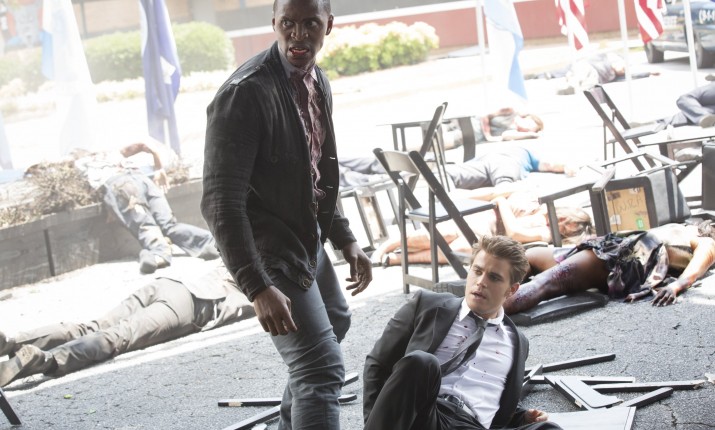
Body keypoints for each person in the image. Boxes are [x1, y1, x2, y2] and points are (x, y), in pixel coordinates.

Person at [200, 0, 373, 428]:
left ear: (328, 25)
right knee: (320, 368)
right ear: (274, 23)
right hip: (268, 248)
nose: (298, 35)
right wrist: (257, 286)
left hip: (304, 234)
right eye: (288, 24)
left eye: (310, 23)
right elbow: (220, 203)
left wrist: (345, 238)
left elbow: (315, 172)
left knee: (335, 320)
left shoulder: (317, 81)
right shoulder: (244, 94)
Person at [363, 235, 561, 430]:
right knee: (422, 362)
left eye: (493, 277)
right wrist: (375, 421)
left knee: (548, 429)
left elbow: (493, 397)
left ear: (511, 290)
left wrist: (520, 417)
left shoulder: (517, 343)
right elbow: (378, 363)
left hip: (472, 424)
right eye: (477, 271)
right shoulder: (427, 305)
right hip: (425, 414)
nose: (481, 282)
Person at [0, 261, 255, 387]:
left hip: (170, 283)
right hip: (194, 303)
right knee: (116, 336)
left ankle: (12, 342)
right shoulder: (270, 275)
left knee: (92, 326)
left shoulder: (247, 246)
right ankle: (47, 360)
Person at [69, 140, 219, 274]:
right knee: (168, 224)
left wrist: (110, 204)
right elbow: (143, 145)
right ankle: (210, 243)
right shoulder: (112, 153)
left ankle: (158, 254)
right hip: (143, 180)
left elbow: (71, 172)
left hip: (121, 185)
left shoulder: (80, 163)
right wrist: (159, 168)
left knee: (145, 225)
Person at [504, 221, 715, 315]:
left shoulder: (708, 243)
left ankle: (486, 309)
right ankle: (496, 296)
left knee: (544, 284)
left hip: (621, 259)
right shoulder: (689, 229)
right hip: (613, 248)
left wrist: (675, 287)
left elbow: (695, 269)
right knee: (531, 256)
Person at [372, 191, 594, 267]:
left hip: (487, 235)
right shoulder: (539, 207)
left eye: (569, 226)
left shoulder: (547, 233)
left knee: (460, 250)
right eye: (568, 219)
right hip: (479, 218)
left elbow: (515, 233)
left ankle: (400, 259)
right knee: (448, 233)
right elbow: (501, 193)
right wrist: (506, 199)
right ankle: (390, 245)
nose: (564, 223)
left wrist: (503, 203)